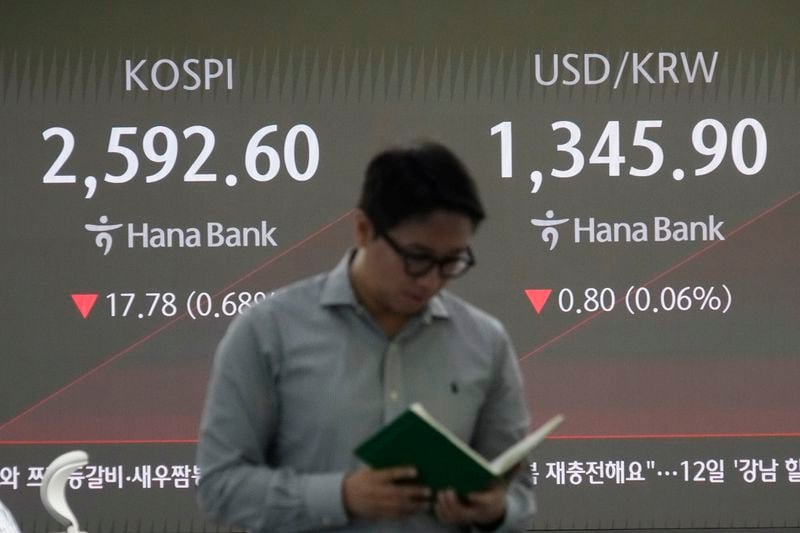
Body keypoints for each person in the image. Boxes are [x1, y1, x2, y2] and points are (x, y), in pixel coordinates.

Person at [196, 142, 535, 531]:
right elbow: (219, 486)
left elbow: (518, 494)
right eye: (417, 257)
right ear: (363, 229)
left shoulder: (485, 341)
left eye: (452, 261)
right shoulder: (269, 330)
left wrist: (496, 511)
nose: (431, 280)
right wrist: (341, 496)